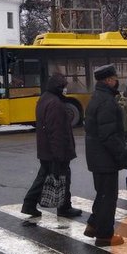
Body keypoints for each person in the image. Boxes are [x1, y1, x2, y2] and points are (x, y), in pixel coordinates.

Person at [21, 73, 83, 219]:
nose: (65, 90)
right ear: (58, 88)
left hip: (46, 149)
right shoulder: (55, 103)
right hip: (56, 151)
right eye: (64, 87)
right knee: (63, 177)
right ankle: (64, 208)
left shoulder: (45, 99)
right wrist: (58, 154)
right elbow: (56, 131)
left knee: (44, 177)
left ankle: (29, 204)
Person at [84, 64, 127, 247]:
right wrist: (122, 155)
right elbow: (108, 135)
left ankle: (93, 225)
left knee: (102, 193)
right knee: (108, 196)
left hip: (97, 156)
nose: (117, 81)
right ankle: (105, 235)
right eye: (115, 78)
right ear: (109, 80)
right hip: (105, 157)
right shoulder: (107, 102)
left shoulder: (98, 97)